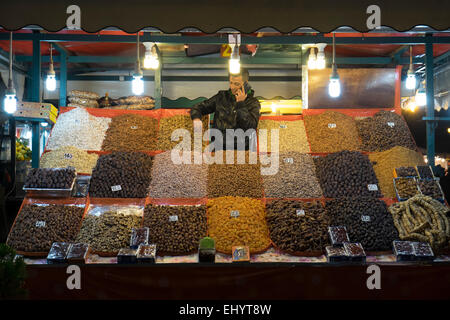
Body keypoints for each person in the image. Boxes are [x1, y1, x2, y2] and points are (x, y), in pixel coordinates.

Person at [190, 68, 261, 151]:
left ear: (246, 84)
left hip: (240, 153)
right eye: (230, 83)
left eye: (236, 84)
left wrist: (240, 104)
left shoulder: (253, 102)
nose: (232, 87)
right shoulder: (221, 97)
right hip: (217, 149)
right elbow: (199, 107)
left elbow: (251, 127)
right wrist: (196, 118)